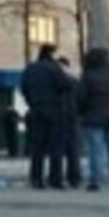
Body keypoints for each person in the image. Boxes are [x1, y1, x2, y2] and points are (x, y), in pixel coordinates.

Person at [75, 47, 109, 193]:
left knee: (96, 151)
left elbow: (81, 98)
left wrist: (81, 113)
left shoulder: (87, 76)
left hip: (93, 118)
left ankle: (96, 180)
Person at [21, 44, 69, 190]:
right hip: (54, 110)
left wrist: (32, 102)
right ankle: (55, 179)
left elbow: (24, 88)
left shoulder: (30, 69)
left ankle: (36, 178)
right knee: (56, 146)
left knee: (37, 147)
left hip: (36, 109)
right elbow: (65, 85)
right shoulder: (54, 68)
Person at [57, 57, 83, 189]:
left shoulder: (54, 83)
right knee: (73, 149)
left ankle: (58, 177)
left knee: (58, 149)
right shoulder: (75, 82)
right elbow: (82, 99)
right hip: (73, 117)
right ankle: (74, 177)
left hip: (58, 117)